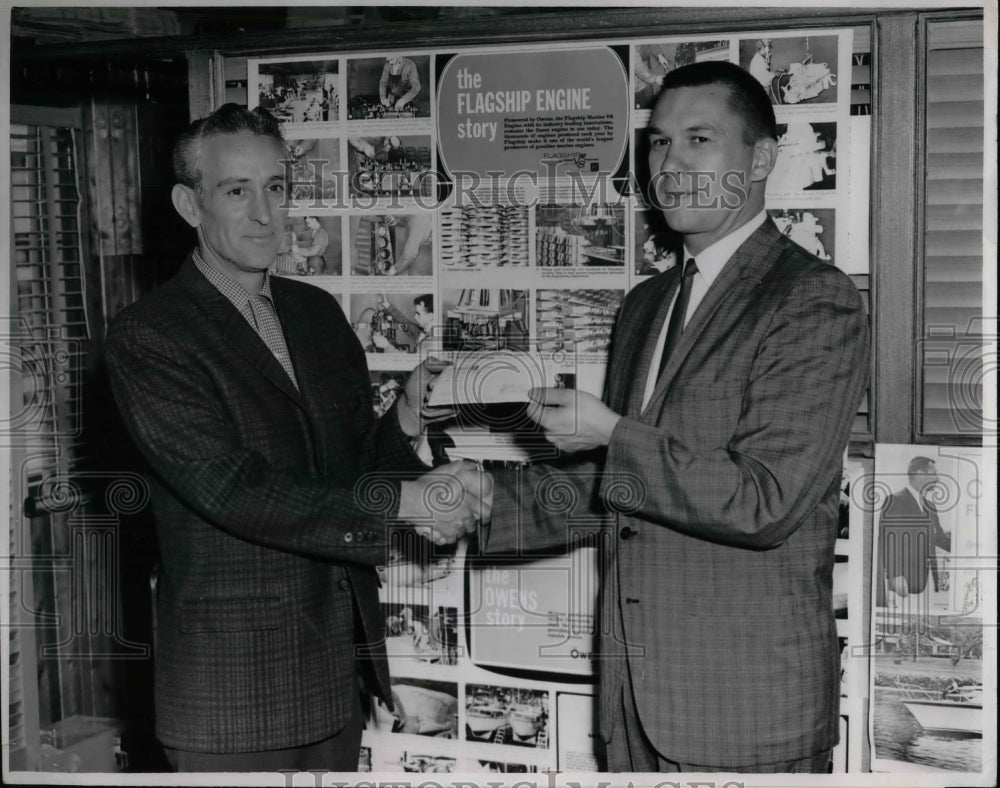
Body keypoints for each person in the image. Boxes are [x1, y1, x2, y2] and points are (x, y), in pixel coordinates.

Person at [473, 61, 870, 772]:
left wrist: (610, 430)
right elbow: (620, 486)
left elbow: (763, 501)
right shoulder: (645, 305)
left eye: (699, 139)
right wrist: (470, 503)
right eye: (658, 143)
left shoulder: (813, 300)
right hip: (633, 707)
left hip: (743, 714)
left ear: (761, 158)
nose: (671, 164)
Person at [103, 103, 481, 772]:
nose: (264, 213)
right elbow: (234, 489)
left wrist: (407, 420)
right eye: (236, 190)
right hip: (234, 695)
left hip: (333, 672)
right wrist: (407, 504)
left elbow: (351, 467)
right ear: (189, 205)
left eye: (276, 187)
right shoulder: (151, 334)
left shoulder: (315, 312)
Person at [878, 456, 951, 603]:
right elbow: (888, 540)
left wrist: (965, 544)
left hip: (929, 582)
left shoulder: (931, 506)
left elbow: (939, 538)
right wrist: (895, 574)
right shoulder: (895, 500)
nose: (937, 479)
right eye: (934, 473)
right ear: (920, 473)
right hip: (904, 585)